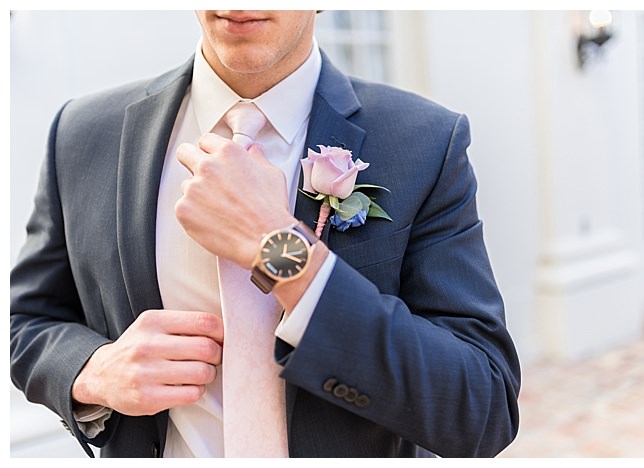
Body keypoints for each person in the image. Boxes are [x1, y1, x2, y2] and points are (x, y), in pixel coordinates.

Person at [10, 10, 520, 458]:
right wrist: (92, 371)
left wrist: (277, 246)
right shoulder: (83, 132)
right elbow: (26, 322)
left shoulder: (426, 142)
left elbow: (482, 408)